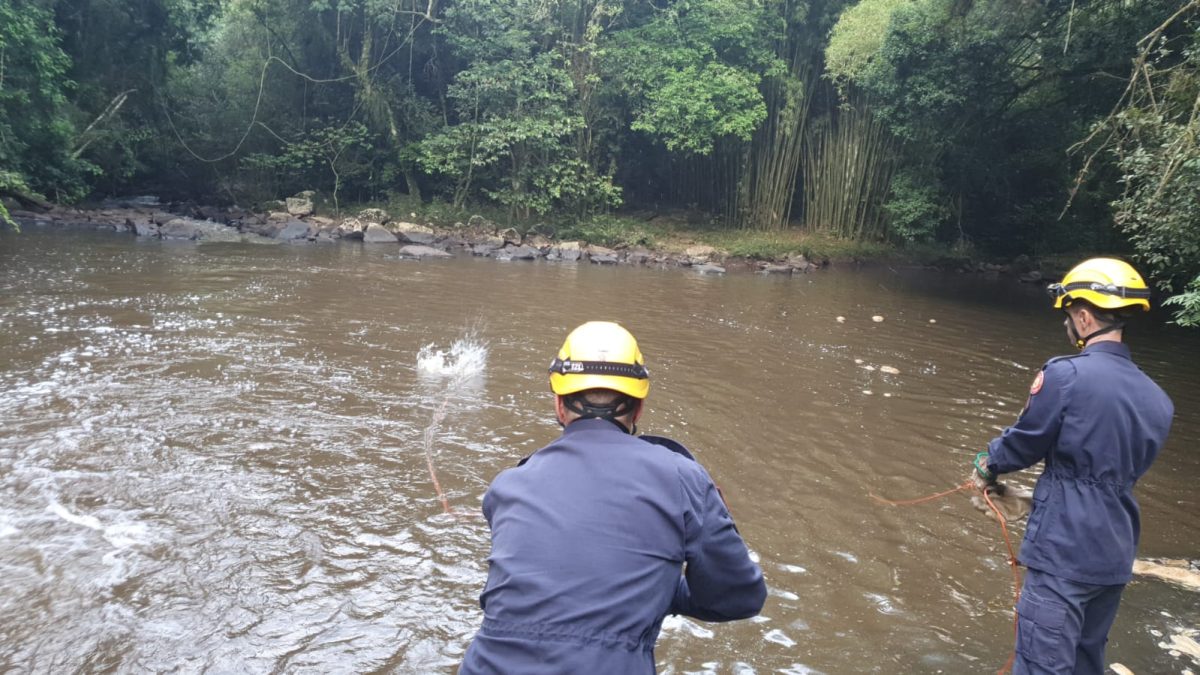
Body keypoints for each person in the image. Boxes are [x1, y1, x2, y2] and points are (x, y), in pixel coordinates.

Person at [461, 321, 767, 674]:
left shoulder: (507, 487)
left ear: (560, 406)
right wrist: (657, 589)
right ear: (638, 409)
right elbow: (739, 597)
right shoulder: (683, 478)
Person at [972, 258, 1174, 674]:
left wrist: (986, 467)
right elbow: (1105, 476)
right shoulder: (1158, 398)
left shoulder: (1066, 376)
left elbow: (1025, 443)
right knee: (1085, 660)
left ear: (1083, 317)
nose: (1068, 324)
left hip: (1063, 553)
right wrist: (1032, 501)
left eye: (1069, 315)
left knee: (1041, 664)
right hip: (1114, 554)